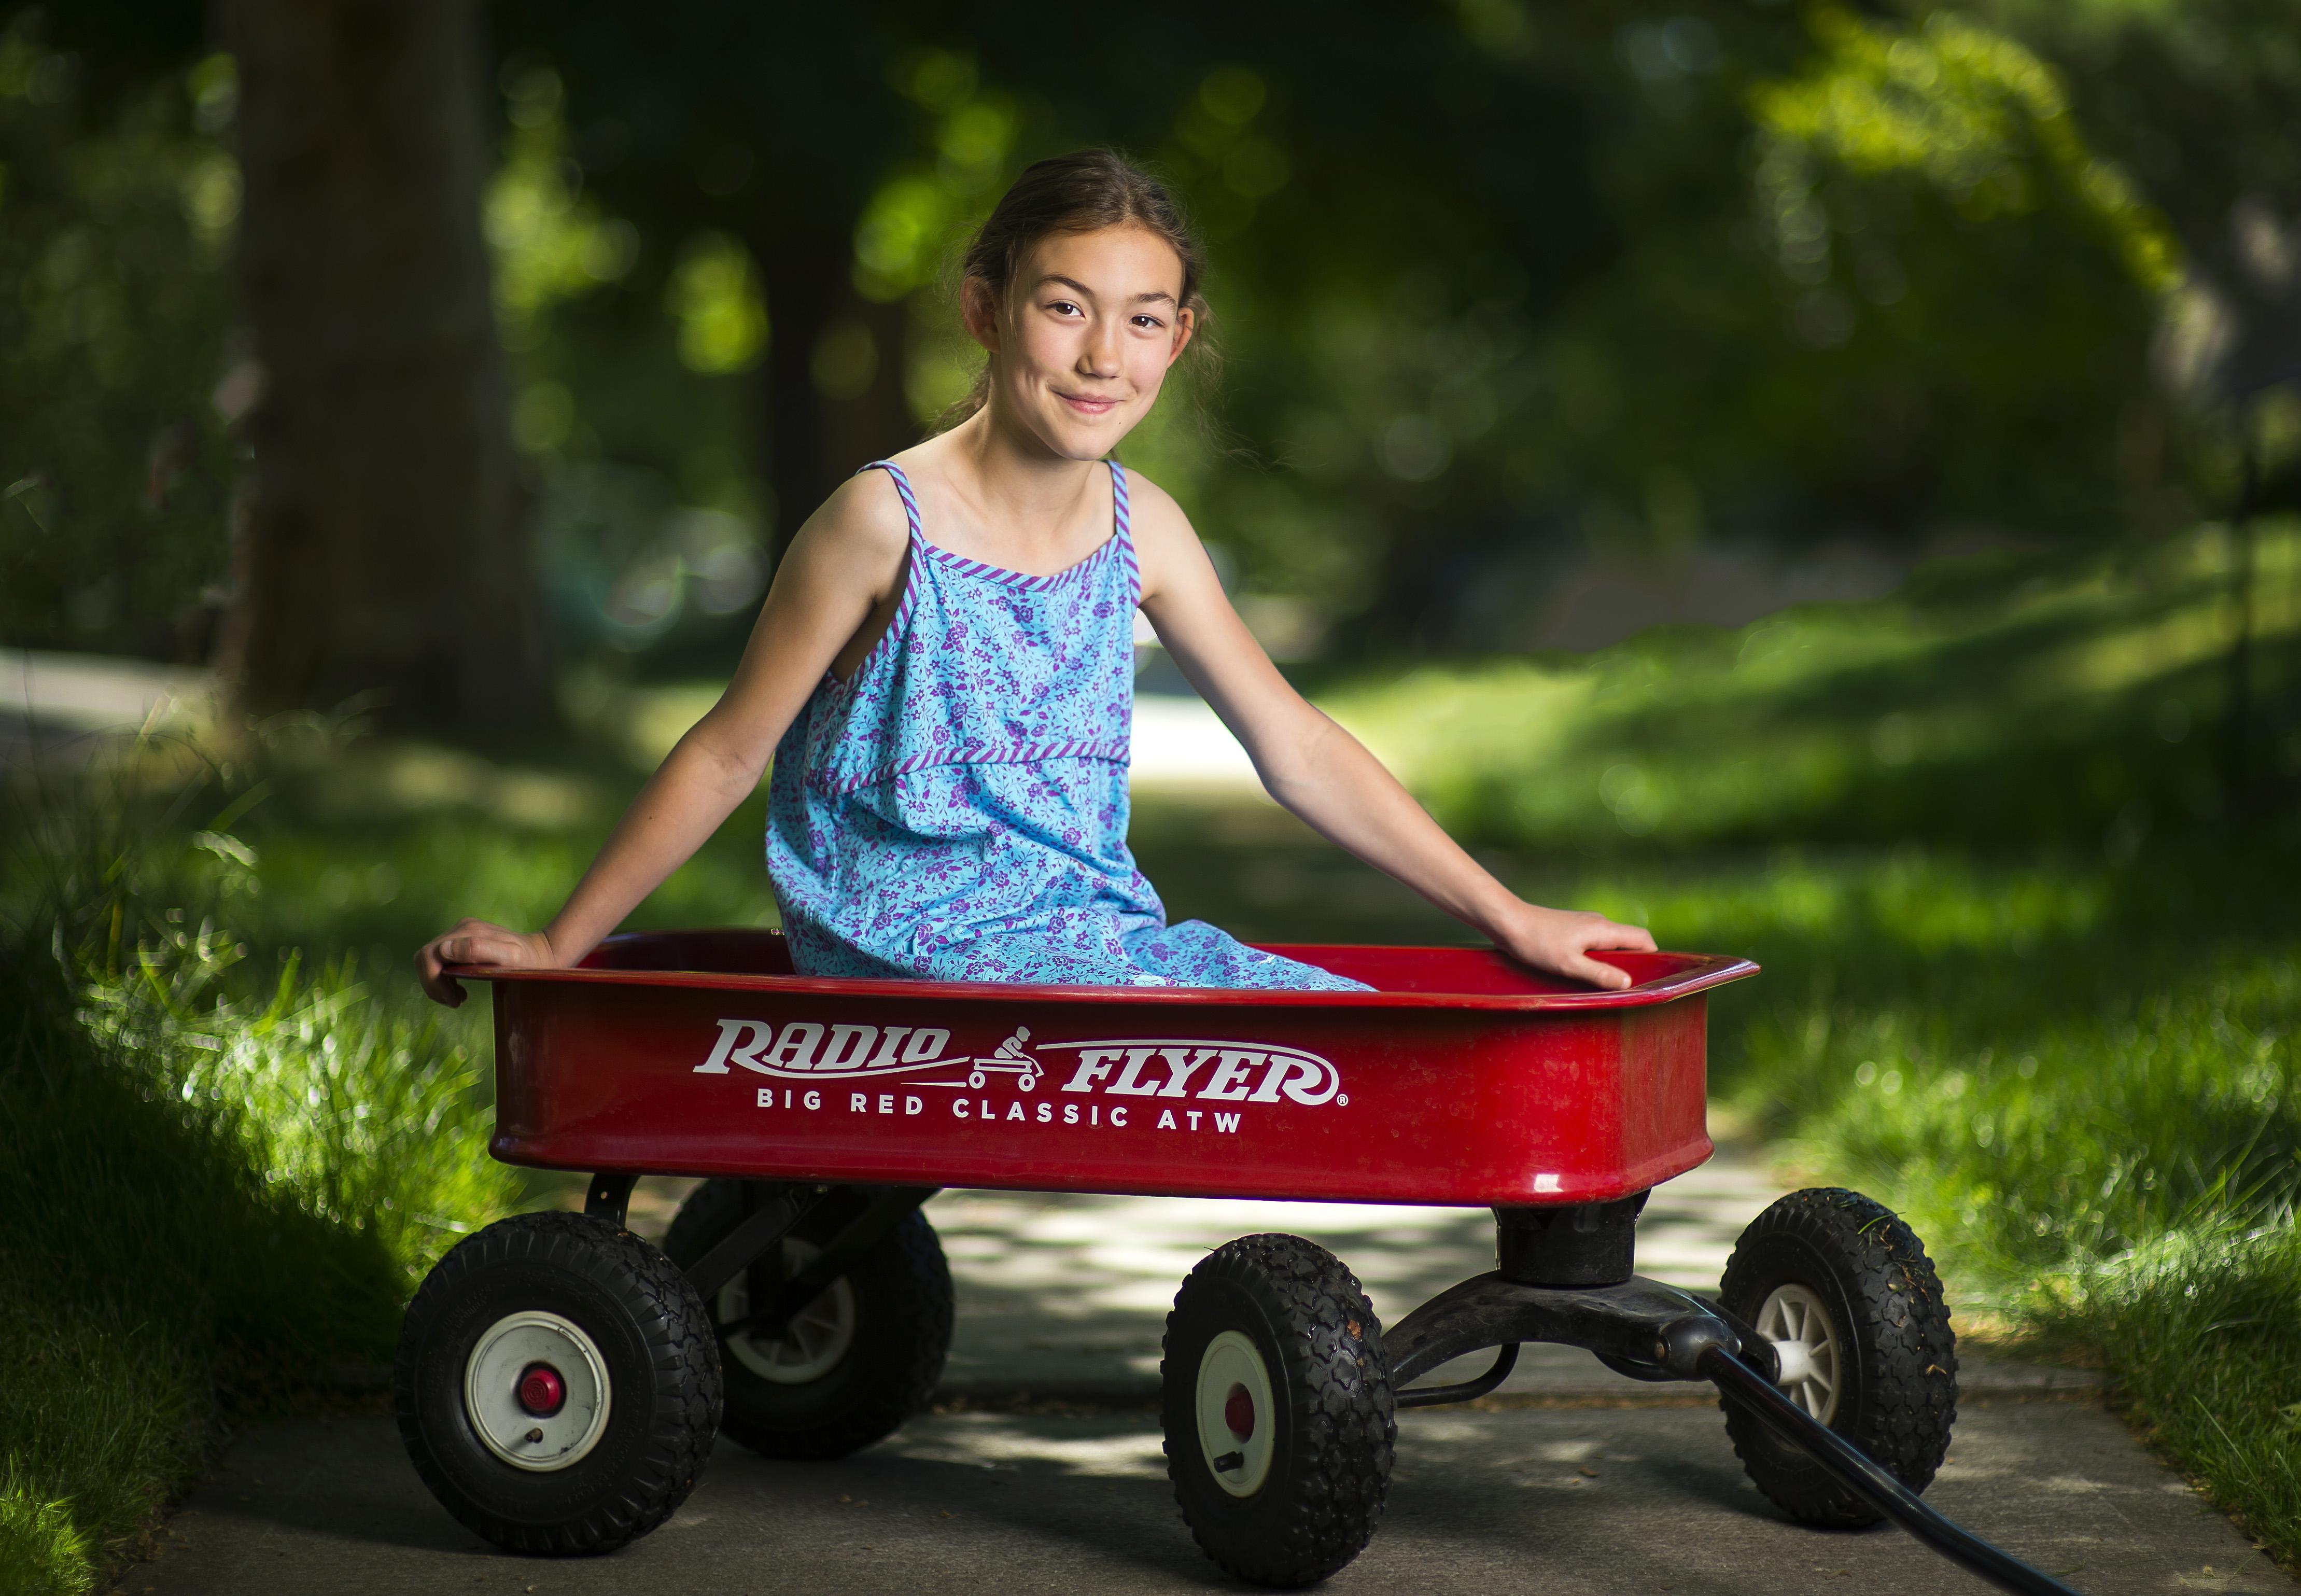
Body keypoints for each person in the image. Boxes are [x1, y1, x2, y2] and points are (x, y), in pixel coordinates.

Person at [416, 150, 1653, 1006]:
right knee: (1238, 1016)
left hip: (1080, 937)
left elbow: (1297, 746)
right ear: (985, 309)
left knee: (1292, 1003)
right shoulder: (879, 523)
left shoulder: (1144, 531)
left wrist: (1508, 916)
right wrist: (559, 946)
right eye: (1065, 307)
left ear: (1180, 337)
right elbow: (729, 751)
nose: (1101, 354)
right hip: (904, 943)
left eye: (1143, 318)